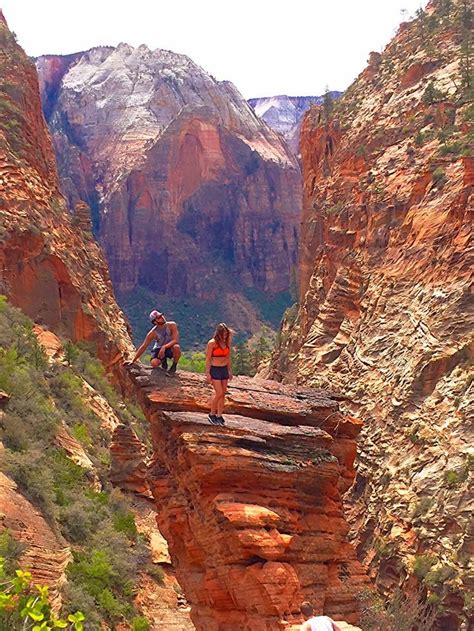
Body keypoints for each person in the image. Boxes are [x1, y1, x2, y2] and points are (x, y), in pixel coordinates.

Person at [205, 323, 233, 425]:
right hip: (215, 369)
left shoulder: (226, 343)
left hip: (224, 369)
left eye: (226, 334)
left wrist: (230, 371)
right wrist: (208, 373)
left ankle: (219, 415)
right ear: (218, 333)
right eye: (223, 334)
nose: (225, 336)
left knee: (223, 394)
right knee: (219, 393)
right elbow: (208, 358)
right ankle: (212, 413)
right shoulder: (212, 343)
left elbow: (228, 358)